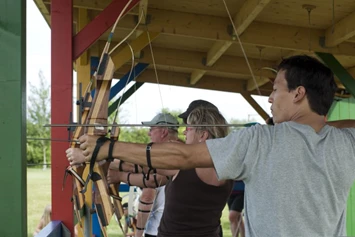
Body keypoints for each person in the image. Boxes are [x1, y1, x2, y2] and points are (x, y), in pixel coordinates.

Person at [69, 55, 355, 236]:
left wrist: (105, 148)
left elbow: (181, 154)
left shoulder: (260, 140)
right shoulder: (347, 143)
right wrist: (315, 128)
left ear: (298, 94)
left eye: (276, 89)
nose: (269, 98)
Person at [109, 113, 180, 237]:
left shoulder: (164, 156)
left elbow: (148, 194)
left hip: (159, 230)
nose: (149, 133)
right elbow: (137, 166)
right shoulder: (181, 151)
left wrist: (138, 233)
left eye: (151, 129)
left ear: (163, 132)